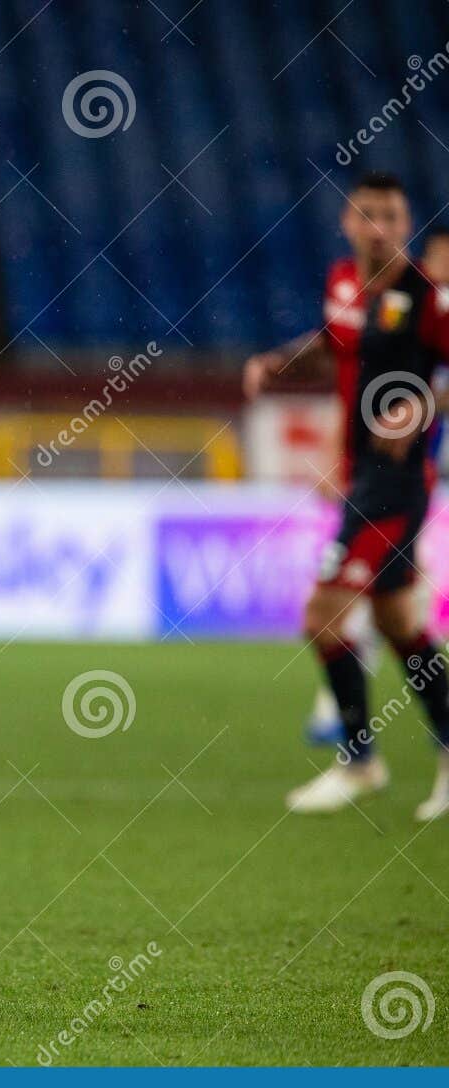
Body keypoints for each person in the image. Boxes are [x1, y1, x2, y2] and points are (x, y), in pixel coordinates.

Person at [244, 172, 449, 821]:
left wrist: (423, 403)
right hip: (360, 477)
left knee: (322, 615)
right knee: (396, 624)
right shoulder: (342, 282)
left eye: (392, 214)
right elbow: (334, 340)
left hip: (395, 482)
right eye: (369, 215)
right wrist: (279, 361)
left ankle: (359, 760)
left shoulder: (427, 298)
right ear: (348, 222)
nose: (381, 226)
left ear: (406, 222)